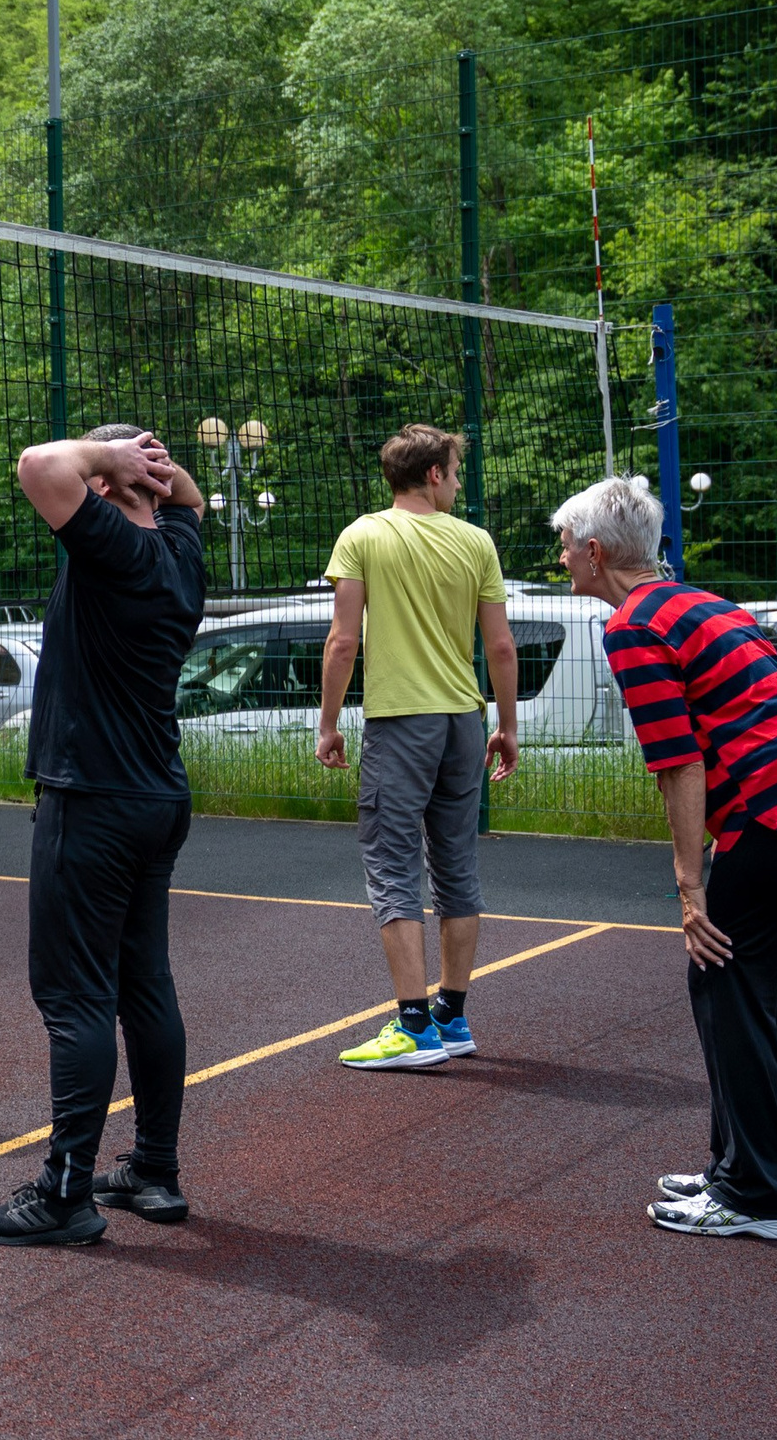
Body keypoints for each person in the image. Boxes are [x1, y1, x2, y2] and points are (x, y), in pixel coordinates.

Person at [557, 476, 777, 1240]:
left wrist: (691, 887)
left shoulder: (631, 627)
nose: (561, 559)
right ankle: (740, 1168)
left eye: (565, 545)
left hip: (776, 808)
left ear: (594, 551)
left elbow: (679, 763)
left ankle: (761, 1196)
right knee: (753, 992)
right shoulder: (701, 602)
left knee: (725, 981)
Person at [0, 425, 205, 1249]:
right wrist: (144, 466)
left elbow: (35, 462)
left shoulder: (113, 547)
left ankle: (66, 1191)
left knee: (75, 1000)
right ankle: (155, 1170)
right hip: (156, 798)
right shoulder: (180, 549)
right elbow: (193, 499)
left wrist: (107, 457)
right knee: (144, 985)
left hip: (94, 800)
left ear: (102, 485)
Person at [317, 424, 520, 1070]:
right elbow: (501, 646)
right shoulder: (475, 541)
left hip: (401, 721)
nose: (458, 482)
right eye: (456, 471)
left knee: (393, 867)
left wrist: (327, 723)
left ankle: (412, 1028)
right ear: (433, 474)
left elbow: (343, 641)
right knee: (456, 868)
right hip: (464, 718)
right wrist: (508, 725)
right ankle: (451, 1017)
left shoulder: (363, 534)